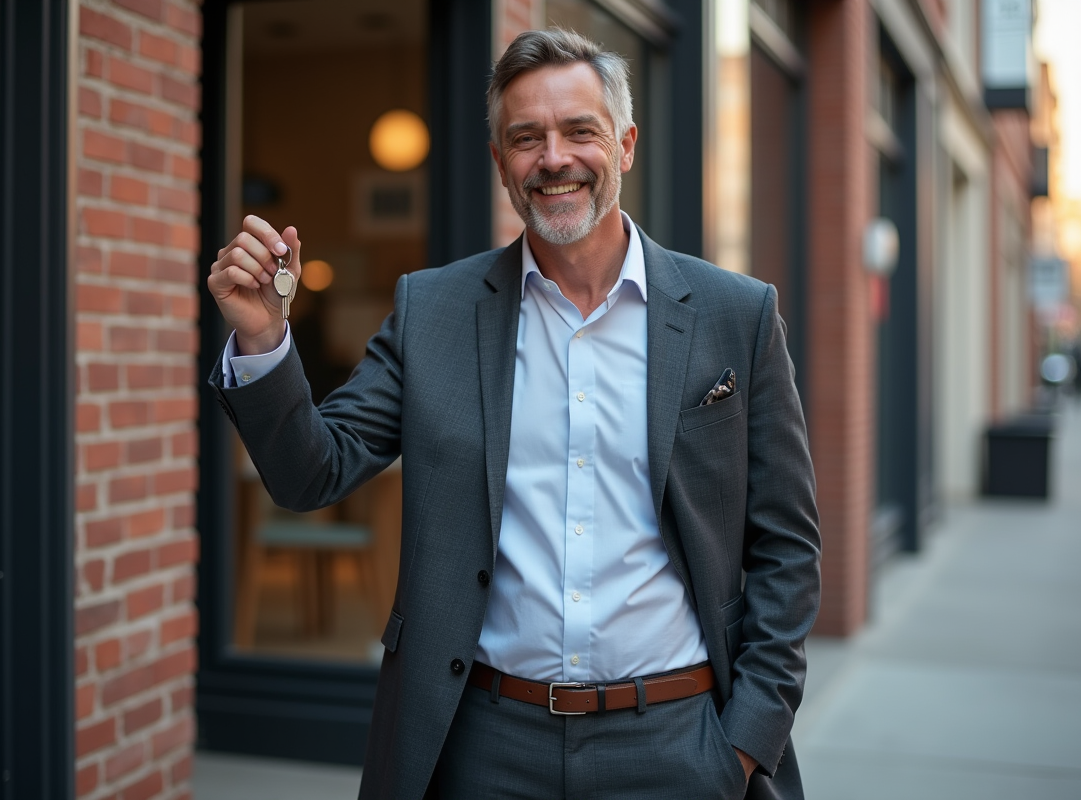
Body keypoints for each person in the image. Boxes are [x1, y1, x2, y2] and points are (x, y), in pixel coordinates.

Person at [208, 28, 820, 800]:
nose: (553, 158)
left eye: (579, 131)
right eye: (526, 137)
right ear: (500, 162)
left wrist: (742, 746)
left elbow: (787, 549)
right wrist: (263, 341)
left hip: (676, 744)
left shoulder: (736, 314)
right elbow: (312, 471)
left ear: (626, 145)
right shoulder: (433, 312)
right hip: (483, 745)